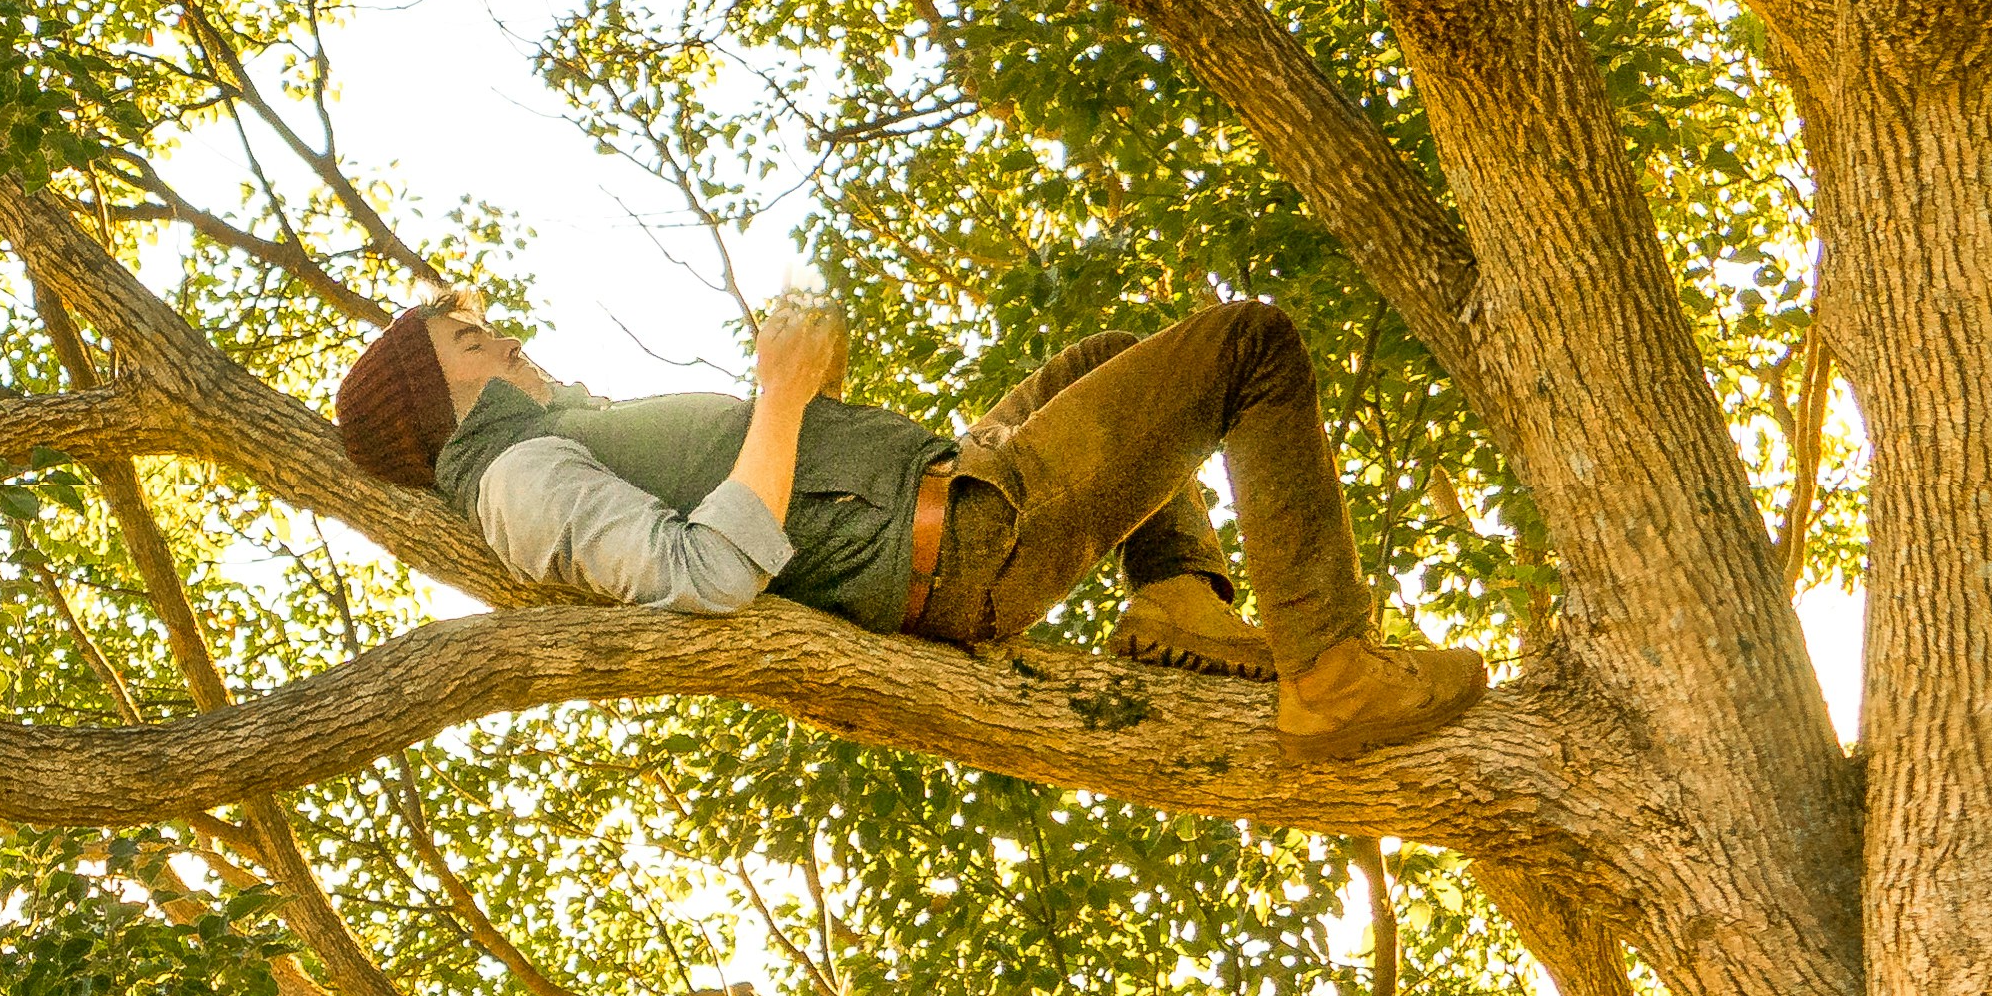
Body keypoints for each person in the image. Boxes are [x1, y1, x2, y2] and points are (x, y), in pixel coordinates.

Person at [324, 284, 1490, 752]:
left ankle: (1178, 595)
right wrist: (779, 397)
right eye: (472, 340)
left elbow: (763, 495)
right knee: (1249, 345)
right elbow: (703, 573)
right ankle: (1328, 669)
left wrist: (805, 402)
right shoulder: (521, 477)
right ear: (441, 397)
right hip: (963, 546)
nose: (506, 334)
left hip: (948, 494)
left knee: (1111, 356)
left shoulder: (553, 438)